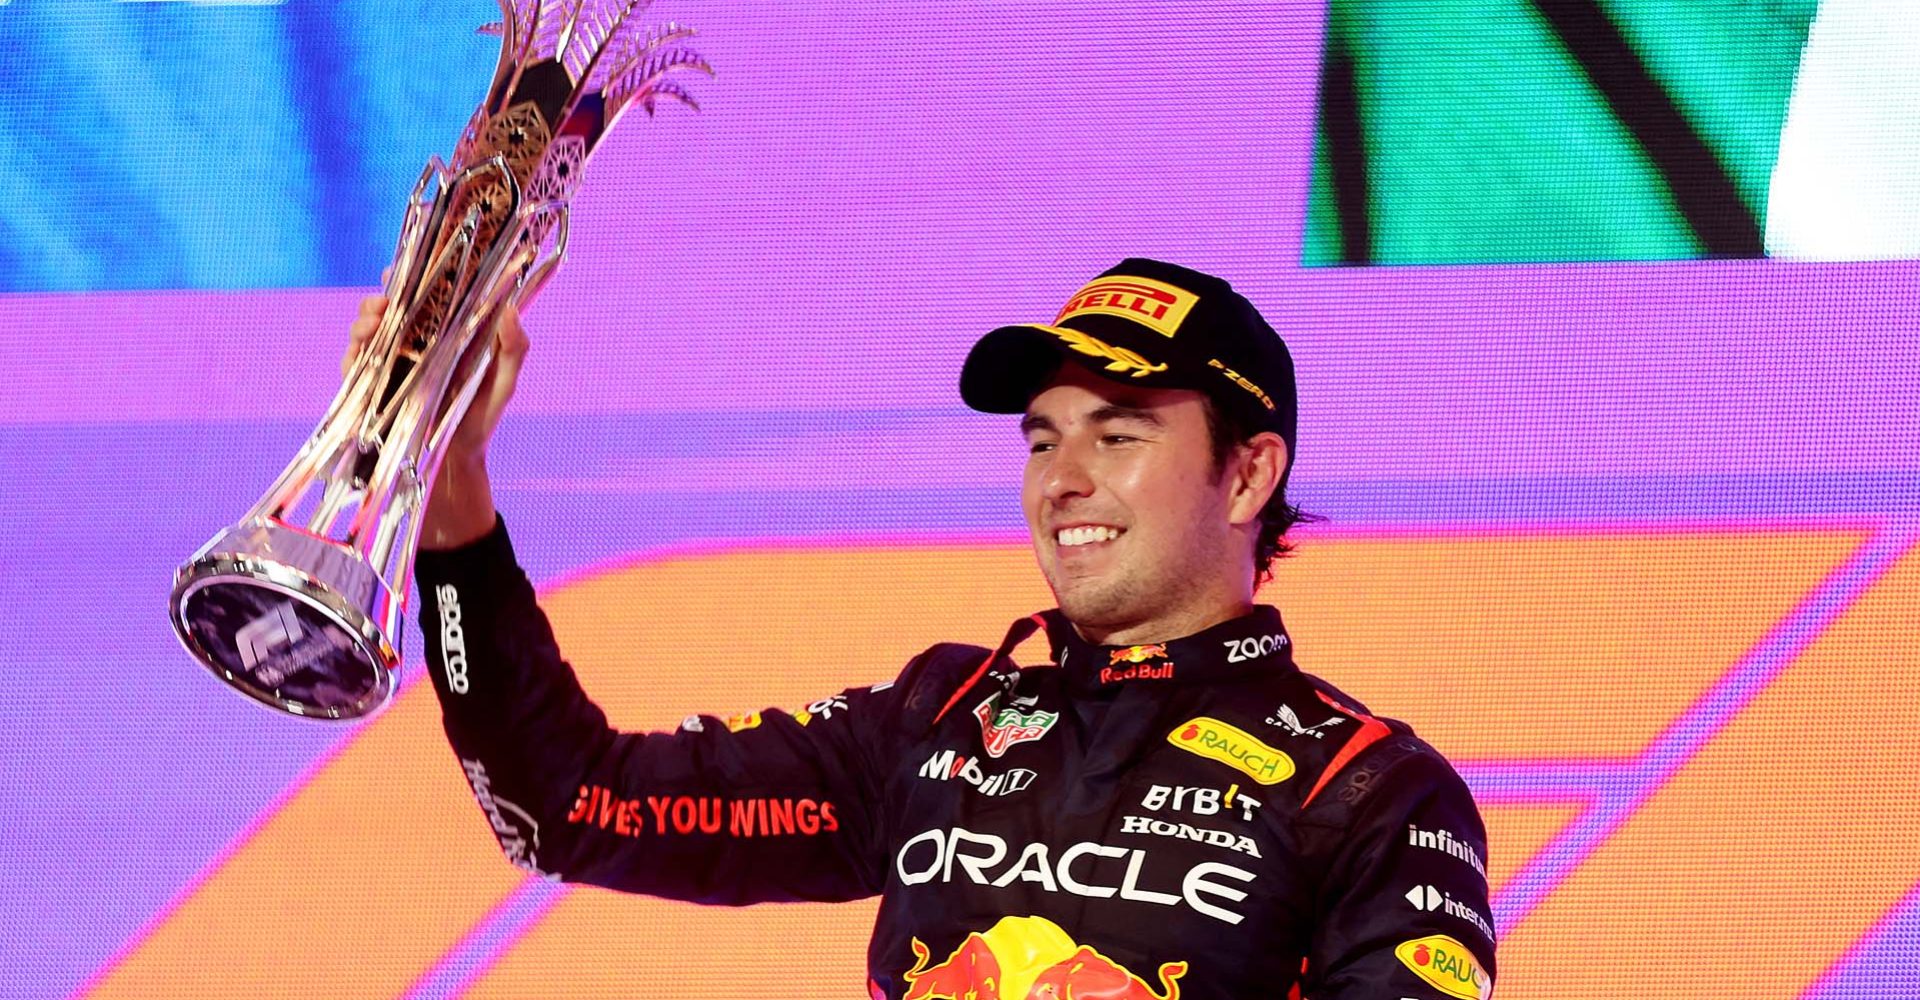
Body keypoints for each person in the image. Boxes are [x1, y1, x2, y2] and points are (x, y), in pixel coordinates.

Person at [350, 259, 1496, 999]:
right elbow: (570, 806)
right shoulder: (940, 718)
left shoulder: (1368, 789)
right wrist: (452, 497)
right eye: (1043, 440)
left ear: (1248, 474)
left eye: (1120, 433)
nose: (1065, 481)